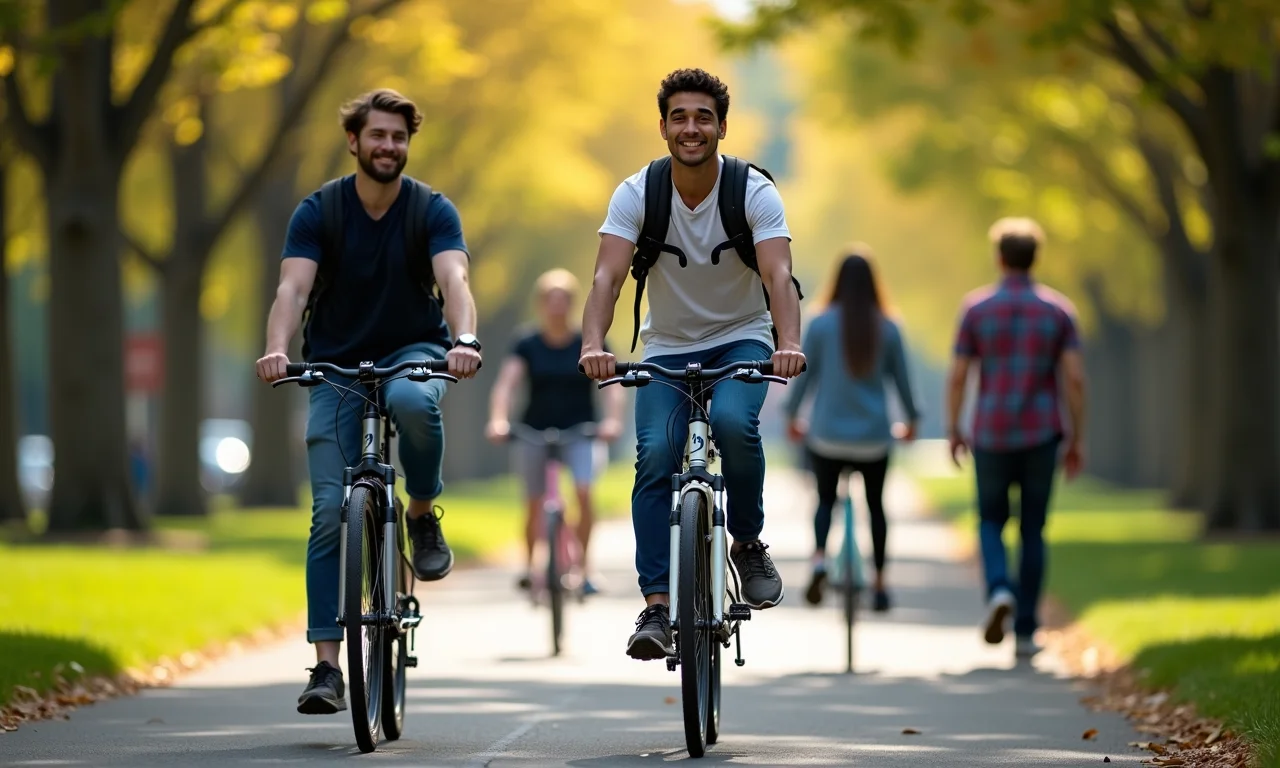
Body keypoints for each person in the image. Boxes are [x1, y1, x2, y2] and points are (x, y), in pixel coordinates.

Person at [254, 88, 483, 714]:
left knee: (414, 401)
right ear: (353, 141)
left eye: (399, 137)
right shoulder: (319, 212)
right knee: (330, 510)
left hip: (414, 351)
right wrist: (278, 349)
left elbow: (454, 279)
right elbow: (291, 288)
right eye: (377, 135)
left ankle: (420, 510)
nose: (388, 147)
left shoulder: (430, 209)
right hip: (333, 365)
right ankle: (327, 667)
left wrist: (463, 339)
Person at [578, 68, 806, 661]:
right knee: (654, 452)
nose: (691, 127)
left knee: (734, 422)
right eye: (679, 116)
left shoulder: (753, 190)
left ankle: (748, 543)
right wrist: (593, 343)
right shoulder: (637, 193)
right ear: (662, 127)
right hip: (667, 347)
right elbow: (606, 275)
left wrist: (789, 341)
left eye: (703, 116)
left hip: (742, 340)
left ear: (722, 127)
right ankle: (655, 606)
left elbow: (779, 274)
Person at [946, 216, 1086, 658]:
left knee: (990, 520)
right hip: (1042, 434)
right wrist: (1077, 438)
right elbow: (1075, 379)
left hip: (990, 432)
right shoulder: (1059, 311)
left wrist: (954, 428)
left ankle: (999, 590)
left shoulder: (976, 309)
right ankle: (1026, 629)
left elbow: (958, 376)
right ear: (1035, 258)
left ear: (1000, 257)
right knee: (1033, 529)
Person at [783, 247, 921, 613]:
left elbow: (803, 379)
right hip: (874, 438)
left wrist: (792, 416)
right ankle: (879, 584)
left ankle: (817, 560)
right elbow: (903, 382)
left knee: (825, 499)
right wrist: (912, 421)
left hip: (826, 435)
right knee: (876, 506)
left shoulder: (821, 323)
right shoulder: (888, 326)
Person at [485, 268, 626, 594]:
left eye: (564, 300)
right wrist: (498, 419)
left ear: (573, 304)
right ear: (541, 304)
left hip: (582, 430)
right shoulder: (527, 343)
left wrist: (613, 420)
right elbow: (506, 385)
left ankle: (585, 569)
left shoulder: (588, 343)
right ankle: (530, 567)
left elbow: (612, 386)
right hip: (533, 430)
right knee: (533, 501)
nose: (557, 306)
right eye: (551, 300)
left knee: (583, 492)